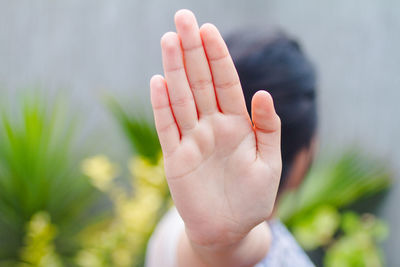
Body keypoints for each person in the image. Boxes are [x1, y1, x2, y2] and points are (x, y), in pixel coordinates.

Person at [146, 9, 317, 267]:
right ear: (302, 158)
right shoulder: (198, 231)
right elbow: (235, 250)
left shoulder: (178, 224)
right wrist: (224, 245)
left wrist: (221, 244)